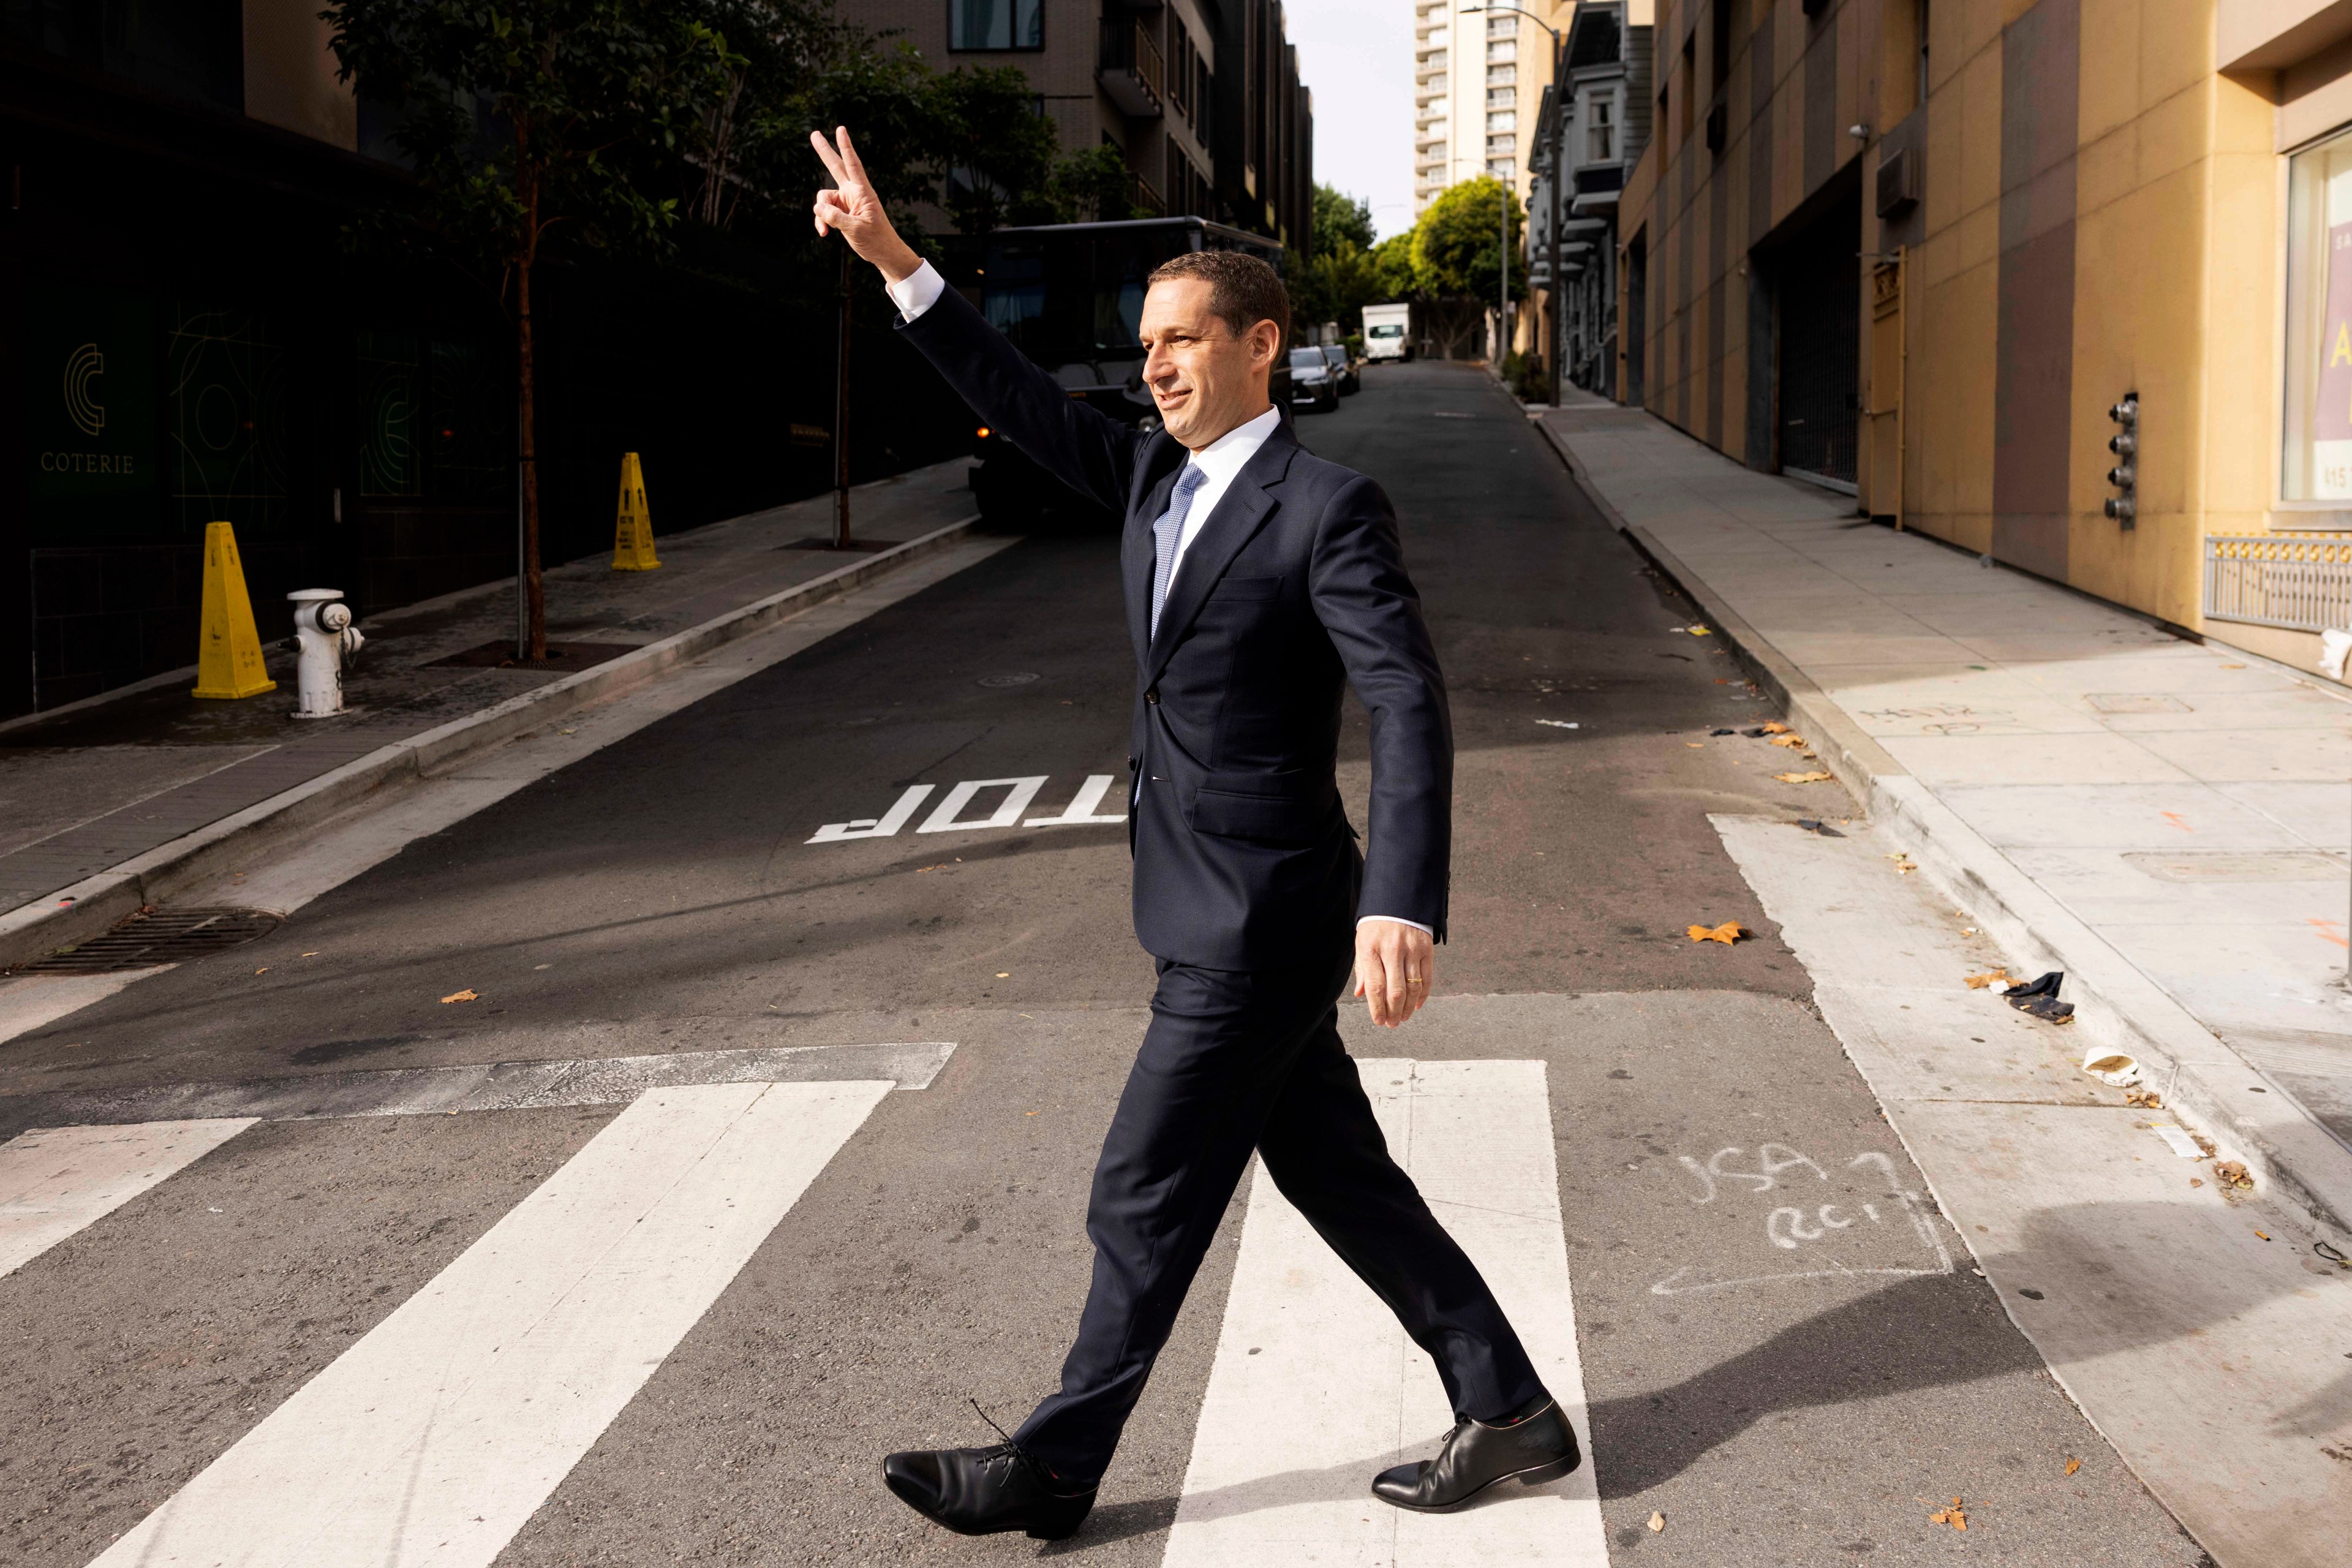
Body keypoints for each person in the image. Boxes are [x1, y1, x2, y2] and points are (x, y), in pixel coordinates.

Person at [810, 126, 1580, 1542]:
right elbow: (1020, 398)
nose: (1153, 363)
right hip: (1198, 901)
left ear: (1260, 346)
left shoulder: (1328, 507)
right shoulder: (1157, 484)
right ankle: (1510, 1404)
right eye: (1145, 342)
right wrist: (896, 261)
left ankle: (1053, 1462)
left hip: (1266, 917)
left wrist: (1402, 897)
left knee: (1144, 1182)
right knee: (1339, 1172)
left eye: (1178, 339)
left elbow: (1407, 697)